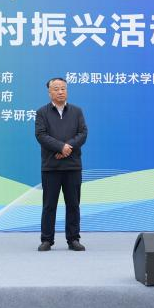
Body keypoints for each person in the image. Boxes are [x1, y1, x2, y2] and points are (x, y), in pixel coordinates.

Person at [35, 77, 88, 251]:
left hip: (72, 165)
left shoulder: (77, 111)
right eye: (56, 89)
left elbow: (83, 133)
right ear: (49, 92)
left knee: (73, 204)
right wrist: (60, 147)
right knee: (49, 205)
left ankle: (73, 239)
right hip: (51, 166)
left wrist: (67, 147)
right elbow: (41, 135)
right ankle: (47, 239)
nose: (60, 92)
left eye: (63, 88)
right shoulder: (42, 112)